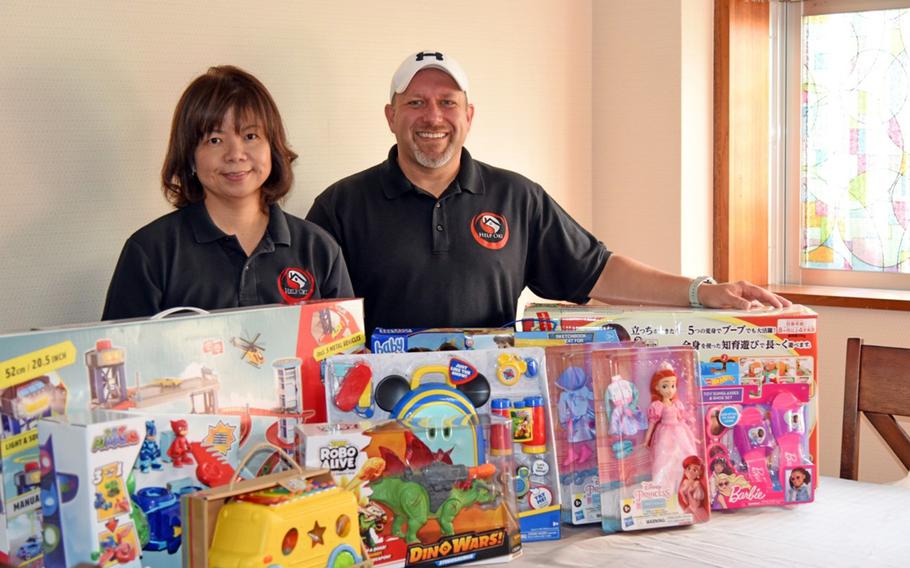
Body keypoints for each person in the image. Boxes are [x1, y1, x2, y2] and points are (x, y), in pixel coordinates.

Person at [305, 50, 790, 337]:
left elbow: (597, 271)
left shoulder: (516, 198)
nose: (433, 117)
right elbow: (314, 329)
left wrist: (699, 292)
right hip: (379, 417)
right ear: (391, 116)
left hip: (493, 408)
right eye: (415, 103)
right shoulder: (340, 206)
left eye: (447, 103)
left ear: (468, 116)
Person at [103, 66, 352, 321]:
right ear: (189, 156)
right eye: (215, 140)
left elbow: (344, 355)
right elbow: (120, 355)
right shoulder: (150, 252)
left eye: (250, 136)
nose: (235, 154)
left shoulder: (319, 248)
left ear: (273, 147)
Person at [643, 362, 698, 490]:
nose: (670, 390)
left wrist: (692, 437)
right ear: (657, 387)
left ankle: (685, 483)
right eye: (665, 386)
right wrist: (646, 440)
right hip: (665, 433)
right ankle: (664, 487)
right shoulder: (658, 406)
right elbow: (652, 423)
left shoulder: (677, 404)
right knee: (664, 457)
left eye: (673, 386)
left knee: (685, 453)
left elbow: (682, 420)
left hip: (679, 430)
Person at [678, 455, 709, 523]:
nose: (690, 471)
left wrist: (690, 491)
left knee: (698, 521)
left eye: (694, 470)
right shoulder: (685, 482)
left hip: (696, 507)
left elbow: (697, 501)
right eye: (688, 468)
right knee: (682, 521)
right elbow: (686, 501)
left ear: (699, 473)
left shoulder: (697, 483)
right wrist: (683, 492)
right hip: (690, 507)